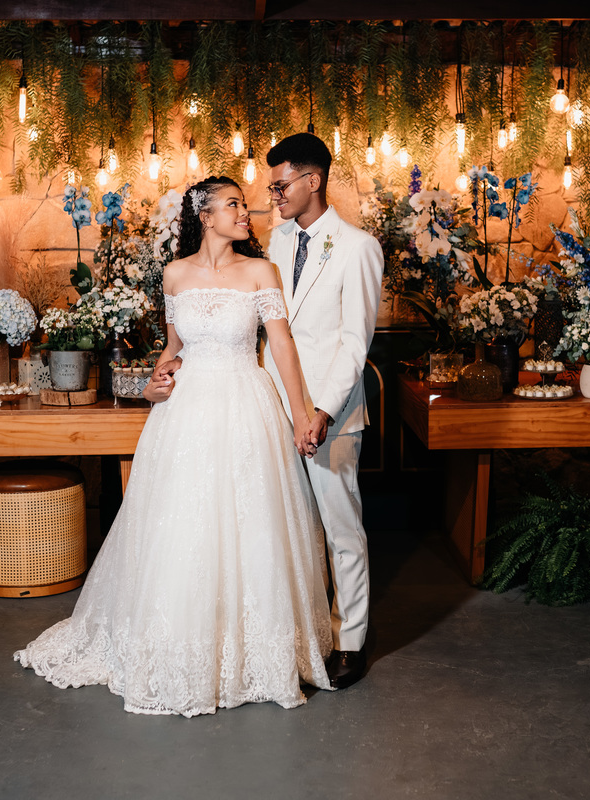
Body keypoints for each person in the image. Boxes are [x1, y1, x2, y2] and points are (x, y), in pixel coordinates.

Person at [14, 175, 333, 717]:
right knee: (184, 523)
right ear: (205, 216)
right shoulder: (175, 274)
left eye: (244, 205)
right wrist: (154, 383)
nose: (246, 213)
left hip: (245, 405)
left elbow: (281, 345)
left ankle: (250, 651)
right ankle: (180, 644)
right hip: (184, 412)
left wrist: (302, 416)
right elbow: (174, 347)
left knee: (249, 521)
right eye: (233, 205)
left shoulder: (261, 271)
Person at [262, 132, 384, 689]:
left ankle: (351, 640)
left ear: (313, 180)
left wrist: (323, 411)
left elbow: (355, 344)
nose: (273, 195)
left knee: (341, 527)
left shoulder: (357, 247)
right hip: (275, 408)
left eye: (281, 184)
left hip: (329, 417)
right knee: (289, 526)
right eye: (271, 186)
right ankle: (303, 634)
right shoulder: (275, 241)